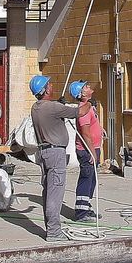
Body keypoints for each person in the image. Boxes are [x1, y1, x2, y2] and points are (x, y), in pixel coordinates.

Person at [29, 74, 93, 240]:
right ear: (45, 90)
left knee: (48, 191)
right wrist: (90, 102)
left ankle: (51, 228)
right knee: (55, 193)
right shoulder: (53, 108)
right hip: (55, 153)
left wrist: (59, 104)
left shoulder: (36, 107)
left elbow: (54, 114)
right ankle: (54, 232)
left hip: (44, 153)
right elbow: (80, 111)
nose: (51, 86)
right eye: (49, 84)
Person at [69, 81, 103, 221]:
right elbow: (85, 133)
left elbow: (93, 125)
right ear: (81, 94)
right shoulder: (83, 109)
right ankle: (81, 213)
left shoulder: (90, 107)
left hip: (93, 148)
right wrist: (92, 152)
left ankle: (86, 208)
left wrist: (101, 131)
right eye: (86, 87)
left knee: (92, 180)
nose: (89, 88)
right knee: (86, 179)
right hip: (87, 150)